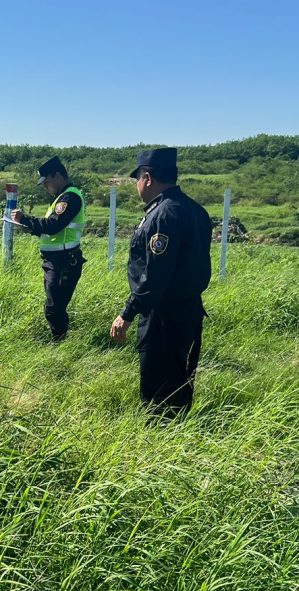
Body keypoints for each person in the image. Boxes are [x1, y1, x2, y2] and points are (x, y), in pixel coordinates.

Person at [109, 147, 211, 418]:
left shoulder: (162, 215)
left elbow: (155, 275)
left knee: (158, 390)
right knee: (179, 380)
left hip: (163, 315)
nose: (137, 185)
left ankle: (159, 441)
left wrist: (127, 313)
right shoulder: (195, 210)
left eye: (138, 178)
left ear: (148, 177)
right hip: (188, 311)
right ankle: (178, 437)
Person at [10, 156, 86, 342]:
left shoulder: (69, 197)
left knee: (54, 308)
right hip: (56, 261)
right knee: (54, 306)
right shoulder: (61, 197)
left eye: (47, 182)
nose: (45, 186)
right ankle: (59, 340)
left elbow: (53, 225)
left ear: (58, 175)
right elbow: (52, 231)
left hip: (64, 261)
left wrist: (26, 219)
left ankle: (59, 344)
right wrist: (33, 228)